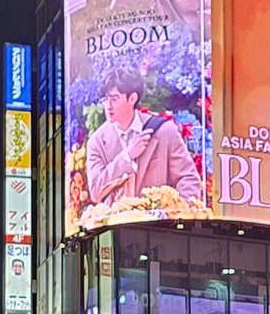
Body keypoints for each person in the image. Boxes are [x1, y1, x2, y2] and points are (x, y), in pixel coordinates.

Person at [84, 68, 205, 211]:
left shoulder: (165, 131)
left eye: (115, 99)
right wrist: (126, 157)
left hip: (160, 228)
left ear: (132, 98)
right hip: (117, 228)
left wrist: (179, 214)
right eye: (105, 99)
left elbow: (188, 179)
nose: (108, 106)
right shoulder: (96, 142)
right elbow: (96, 191)